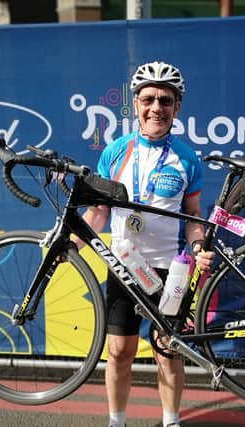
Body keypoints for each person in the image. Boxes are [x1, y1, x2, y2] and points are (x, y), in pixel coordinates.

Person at [74, 60, 214, 427]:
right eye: (148, 99)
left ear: (177, 107)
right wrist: (72, 244)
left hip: (171, 269)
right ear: (134, 104)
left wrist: (199, 249)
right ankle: (116, 422)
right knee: (119, 351)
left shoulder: (186, 159)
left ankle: (171, 422)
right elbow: (100, 212)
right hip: (123, 265)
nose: (156, 108)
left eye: (165, 100)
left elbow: (194, 218)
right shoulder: (115, 152)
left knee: (167, 351)